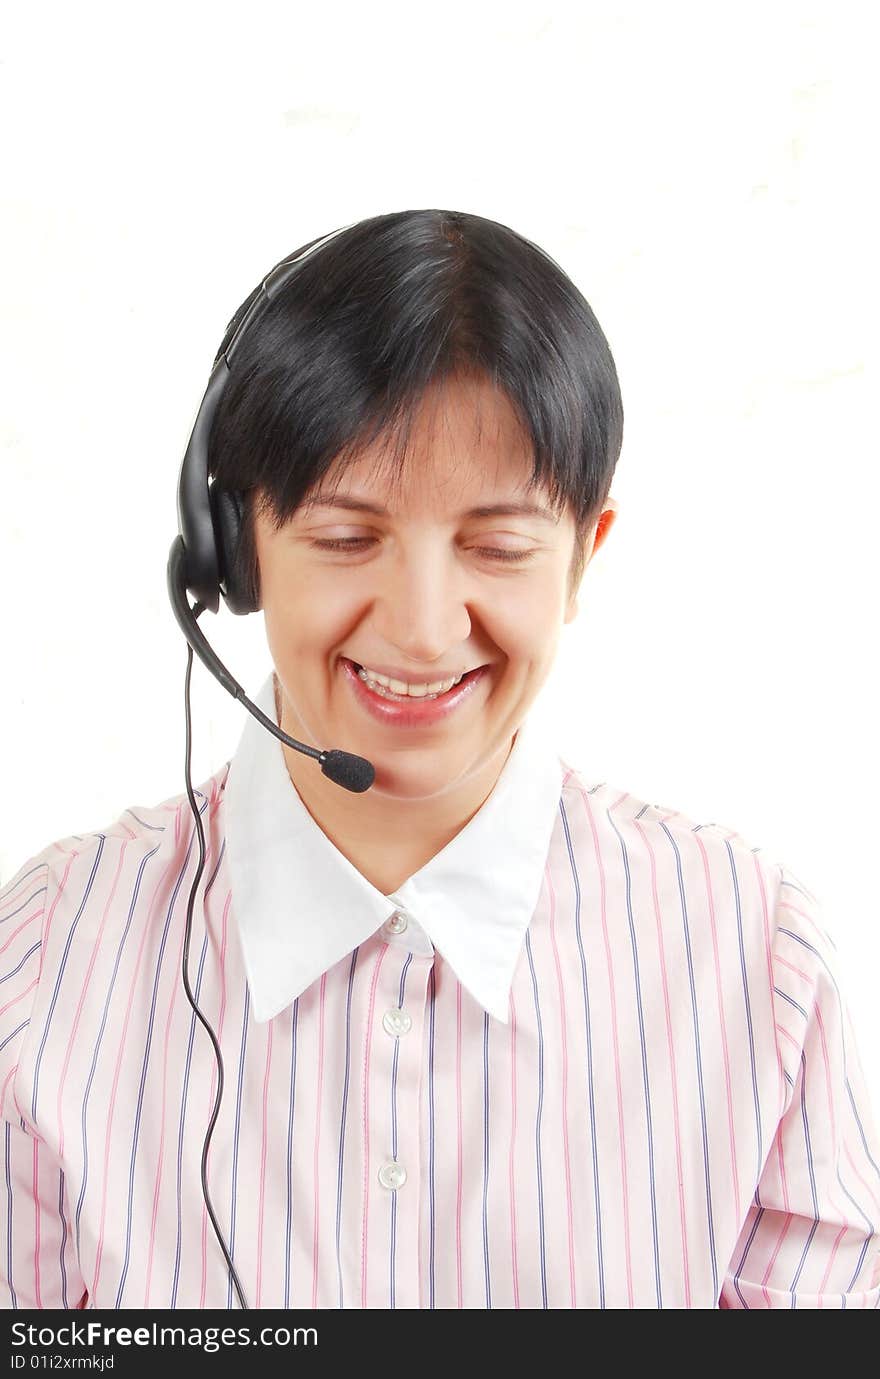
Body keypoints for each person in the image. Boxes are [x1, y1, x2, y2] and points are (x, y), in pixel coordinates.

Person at [1, 209, 878, 1310]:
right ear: (237, 549)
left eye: (496, 546)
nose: (421, 629)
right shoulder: (47, 959)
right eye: (345, 536)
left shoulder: (757, 963)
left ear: (578, 559)